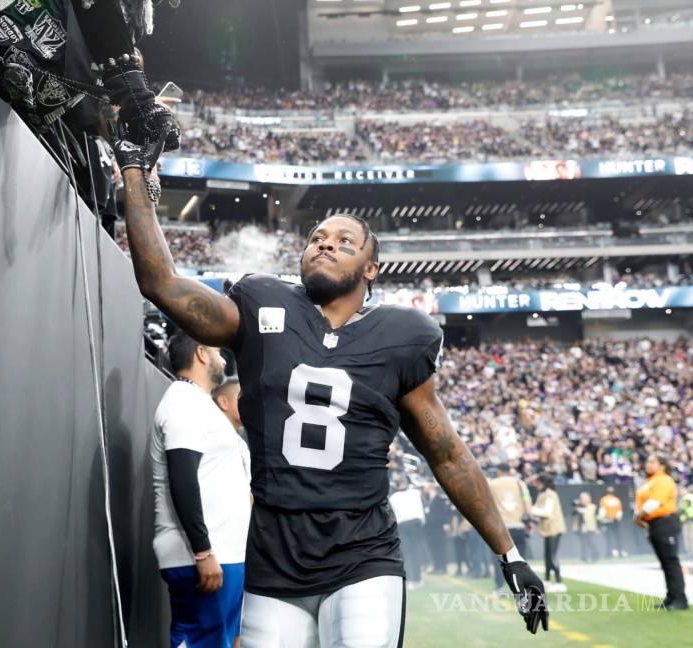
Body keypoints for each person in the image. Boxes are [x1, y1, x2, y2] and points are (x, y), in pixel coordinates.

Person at [115, 139, 549, 645]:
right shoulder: (261, 305)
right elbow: (161, 283)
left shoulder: (402, 335)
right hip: (273, 558)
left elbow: (447, 454)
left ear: (371, 268)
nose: (325, 244)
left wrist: (510, 555)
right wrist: (135, 173)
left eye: (345, 241)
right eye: (317, 237)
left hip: (361, 554)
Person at [151, 333, 252, 647]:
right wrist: (203, 551)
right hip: (202, 555)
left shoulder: (199, 404)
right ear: (201, 354)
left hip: (224, 552)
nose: (222, 358)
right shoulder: (183, 402)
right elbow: (182, 477)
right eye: (217, 351)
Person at [634, 454, 688, 611]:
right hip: (653, 523)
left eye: (652, 462)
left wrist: (638, 516)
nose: (648, 464)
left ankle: (680, 599)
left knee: (671, 561)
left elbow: (654, 503)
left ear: (662, 465)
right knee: (664, 562)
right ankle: (671, 597)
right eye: (647, 461)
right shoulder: (649, 481)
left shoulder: (664, 480)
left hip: (665, 521)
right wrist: (641, 519)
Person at [489, 465, 533, 595]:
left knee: (500, 560)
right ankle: (522, 590)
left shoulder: (492, 484)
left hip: (501, 528)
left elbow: (488, 505)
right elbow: (528, 504)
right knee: (520, 560)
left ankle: (499, 588)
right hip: (518, 526)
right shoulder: (520, 483)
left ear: (499, 471)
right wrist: (530, 523)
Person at [389, 475, 426, 589]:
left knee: (408, 553)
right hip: (414, 525)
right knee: (416, 552)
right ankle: (417, 579)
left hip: (404, 526)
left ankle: (411, 580)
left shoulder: (393, 498)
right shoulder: (415, 493)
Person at [530, 474, 566, 593]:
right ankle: (547, 580)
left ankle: (559, 582)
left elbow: (547, 512)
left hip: (554, 529)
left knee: (552, 556)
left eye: (538, 483)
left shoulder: (550, 494)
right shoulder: (542, 494)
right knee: (547, 556)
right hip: (547, 530)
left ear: (543, 483)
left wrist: (530, 510)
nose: (536, 485)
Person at [598, 486, 625, 558]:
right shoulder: (617, 500)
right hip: (615, 521)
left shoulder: (604, 499)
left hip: (607, 520)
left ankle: (609, 553)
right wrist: (617, 519)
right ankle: (620, 552)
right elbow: (620, 512)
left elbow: (602, 511)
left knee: (608, 537)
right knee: (618, 537)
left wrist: (601, 520)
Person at [572, 492, 599, 563]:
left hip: (590, 528)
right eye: (582, 499)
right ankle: (584, 557)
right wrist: (577, 508)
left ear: (589, 499)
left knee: (590, 542)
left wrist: (598, 527)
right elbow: (574, 515)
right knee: (583, 543)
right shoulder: (578, 507)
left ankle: (595, 555)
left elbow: (597, 518)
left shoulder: (593, 507)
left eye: (585, 498)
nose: (583, 500)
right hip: (581, 528)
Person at [680, 485, 693, 557]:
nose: (680, 491)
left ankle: (690, 552)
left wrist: (682, 518)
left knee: (689, 536)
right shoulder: (690, 496)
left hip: (688, 519)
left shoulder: (686, 498)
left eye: (682, 490)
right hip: (689, 519)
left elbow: (684, 509)